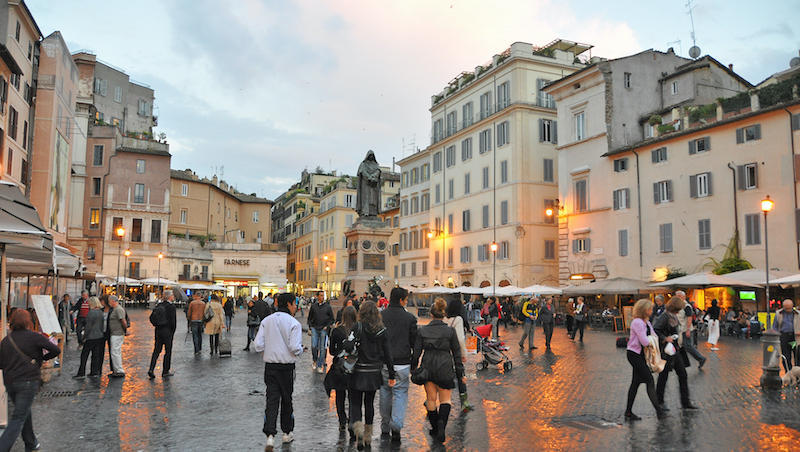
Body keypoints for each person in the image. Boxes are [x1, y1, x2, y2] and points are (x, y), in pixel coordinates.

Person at [0, 309, 61, 452]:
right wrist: (40, 359)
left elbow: (1, 363)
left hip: (10, 382)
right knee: (19, 417)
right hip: (28, 381)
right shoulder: (35, 337)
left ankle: (31, 443)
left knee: (23, 411)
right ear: (28, 321)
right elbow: (55, 350)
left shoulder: (6, 340)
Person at [255, 293, 303, 451]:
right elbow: (295, 347)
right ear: (289, 304)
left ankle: (270, 435)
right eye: (295, 304)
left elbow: (258, 345)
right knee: (286, 399)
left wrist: (267, 350)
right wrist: (300, 350)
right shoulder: (294, 323)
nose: (296, 307)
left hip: (270, 366)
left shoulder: (266, 321)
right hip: (286, 367)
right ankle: (286, 432)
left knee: (272, 400)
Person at [413, 298, 464, 444]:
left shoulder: (423, 330)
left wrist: (414, 368)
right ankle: (442, 424)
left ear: (431, 314)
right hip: (445, 365)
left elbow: (416, 353)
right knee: (445, 399)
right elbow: (457, 353)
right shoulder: (450, 330)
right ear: (443, 315)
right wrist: (460, 373)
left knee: (431, 399)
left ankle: (435, 426)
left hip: (428, 365)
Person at [346, 301, 394, 451]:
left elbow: (348, 346)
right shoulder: (382, 330)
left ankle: (358, 429)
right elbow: (388, 353)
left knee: (355, 402)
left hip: (358, 370)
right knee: (369, 403)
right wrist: (392, 373)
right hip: (374, 371)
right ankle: (368, 435)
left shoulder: (357, 327)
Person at [378, 287, 418, 441]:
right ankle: (396, 424)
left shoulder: (381, 316)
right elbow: (414, 342)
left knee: (385, 392)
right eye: (406, 299)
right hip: (402, 362)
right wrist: (414, 362)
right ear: (402, 300)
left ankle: (385, 425)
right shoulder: (410, 318)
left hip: (384, 363)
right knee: (400, 393)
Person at [625, 299, 668, 420]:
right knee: (649, 381)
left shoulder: (647, 322)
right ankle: (659, 412)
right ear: (644, 310)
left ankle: (628, 412)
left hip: (641, 355)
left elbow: (654, 336)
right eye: (650, 309)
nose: (651, 311)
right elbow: (644, 342)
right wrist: (652, 340)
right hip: (635, 354)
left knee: (635, 383)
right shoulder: (637, 322)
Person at [653, 296, 698, 411]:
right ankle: (660, 401)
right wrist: (665, 338)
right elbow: (655, 329)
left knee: (682, 374)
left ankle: (685, 401)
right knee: (664, 376)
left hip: (674, 349)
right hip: (667, 350)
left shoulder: (672, 315)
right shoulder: (665, 316)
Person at [326, 306, 357, 435]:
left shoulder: (336, 331)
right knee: (353, 396)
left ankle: (342, 421)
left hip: (339, 367)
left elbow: (332, 351)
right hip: (354, 366)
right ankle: (352, 419)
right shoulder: (358, 330)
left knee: (340, 395)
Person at [444, 297, 473, 413]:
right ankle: (464, 403)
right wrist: (463, 353)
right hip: (454, 352)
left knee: (442, 377)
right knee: (461, 377)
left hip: (444, 352)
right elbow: (460, 338)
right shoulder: (458, 319)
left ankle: (431, 400)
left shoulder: (444, 318)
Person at [148, 289, 178, 379]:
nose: (173, 296)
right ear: (169, 297)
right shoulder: (171, 307)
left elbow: (151, 317)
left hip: (158, 330)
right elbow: (173, 321)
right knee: (167, 351)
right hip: (167, 331)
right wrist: (172, 331)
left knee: (156, 350)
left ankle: (151, 368)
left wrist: (156, 325)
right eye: (172, 295)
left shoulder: (159, 305)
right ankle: (165, 370)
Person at [74, 297, 104, 379]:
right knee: (95, 355)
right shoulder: (101, 312)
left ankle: (81, 372)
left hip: (91, 337)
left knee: (84, 355)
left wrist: (84, 336)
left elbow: (88, 327)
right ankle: (94, 372)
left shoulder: (91, 313)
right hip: (99, 336)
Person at [308, 291, 335, 373]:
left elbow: (332, 319)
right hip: (315, 328)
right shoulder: (313, 306)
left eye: (323, 295)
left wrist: (327, 326)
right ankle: (315, 360)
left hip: (323, 329)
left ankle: (320, 365)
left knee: (322, 348)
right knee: (314, 346)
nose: (322, 297)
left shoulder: (327, 307)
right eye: (321, 295)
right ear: (317, 296)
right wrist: (311, 326)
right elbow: (310, 318)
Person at [771, 299, 800, 372]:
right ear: (783, 307)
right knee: (786, 357)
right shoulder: (778, 313)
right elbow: (775, 326)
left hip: (796, 337)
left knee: (797, 356)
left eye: (790, 308)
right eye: (786, 308)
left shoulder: (798, 313)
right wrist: (778, 334)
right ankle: (788, 373)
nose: (788, 310)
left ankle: (797, 375)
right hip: (784, 336)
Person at [107, 295, 128, 378]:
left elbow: (123, 321)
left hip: (117, 333)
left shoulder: (118, 309)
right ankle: (117, 369)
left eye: (109, 301)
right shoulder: (116, 309)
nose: (108, 303)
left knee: (115, 351)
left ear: (113, 301)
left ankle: (119, 370)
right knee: (116, 351)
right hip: (115, 333)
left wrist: (125, 331)